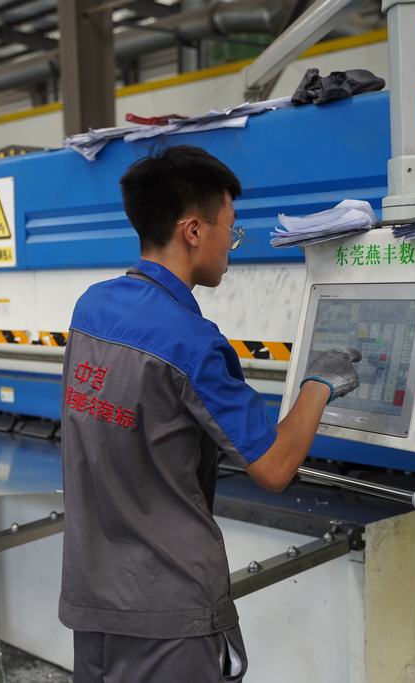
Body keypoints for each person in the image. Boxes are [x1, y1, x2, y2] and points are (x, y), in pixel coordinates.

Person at [58, 146, 360, 682]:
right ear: (193, 230)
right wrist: (320, 382)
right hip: (170, 611)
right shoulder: (193, 342)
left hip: (95, 598)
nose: (231, 244)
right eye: (231, 228)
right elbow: (274, 467)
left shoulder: (91, 308)